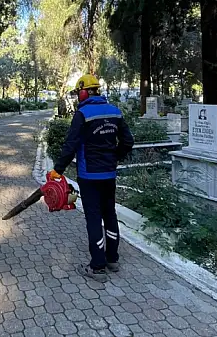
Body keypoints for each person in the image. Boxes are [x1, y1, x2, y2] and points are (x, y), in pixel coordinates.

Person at [52, 74, 134, 282]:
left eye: (78, 93)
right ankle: (112, 259)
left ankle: (97, 266)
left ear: (84, 92)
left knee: (94, 218)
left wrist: (57, 171)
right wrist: (115, 157)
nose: (78, 97)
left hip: (89, 176)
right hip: (109, 174)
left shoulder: (82, 114)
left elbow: (70, 146)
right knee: (110, 214)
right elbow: (128, 141)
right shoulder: (114, 111)